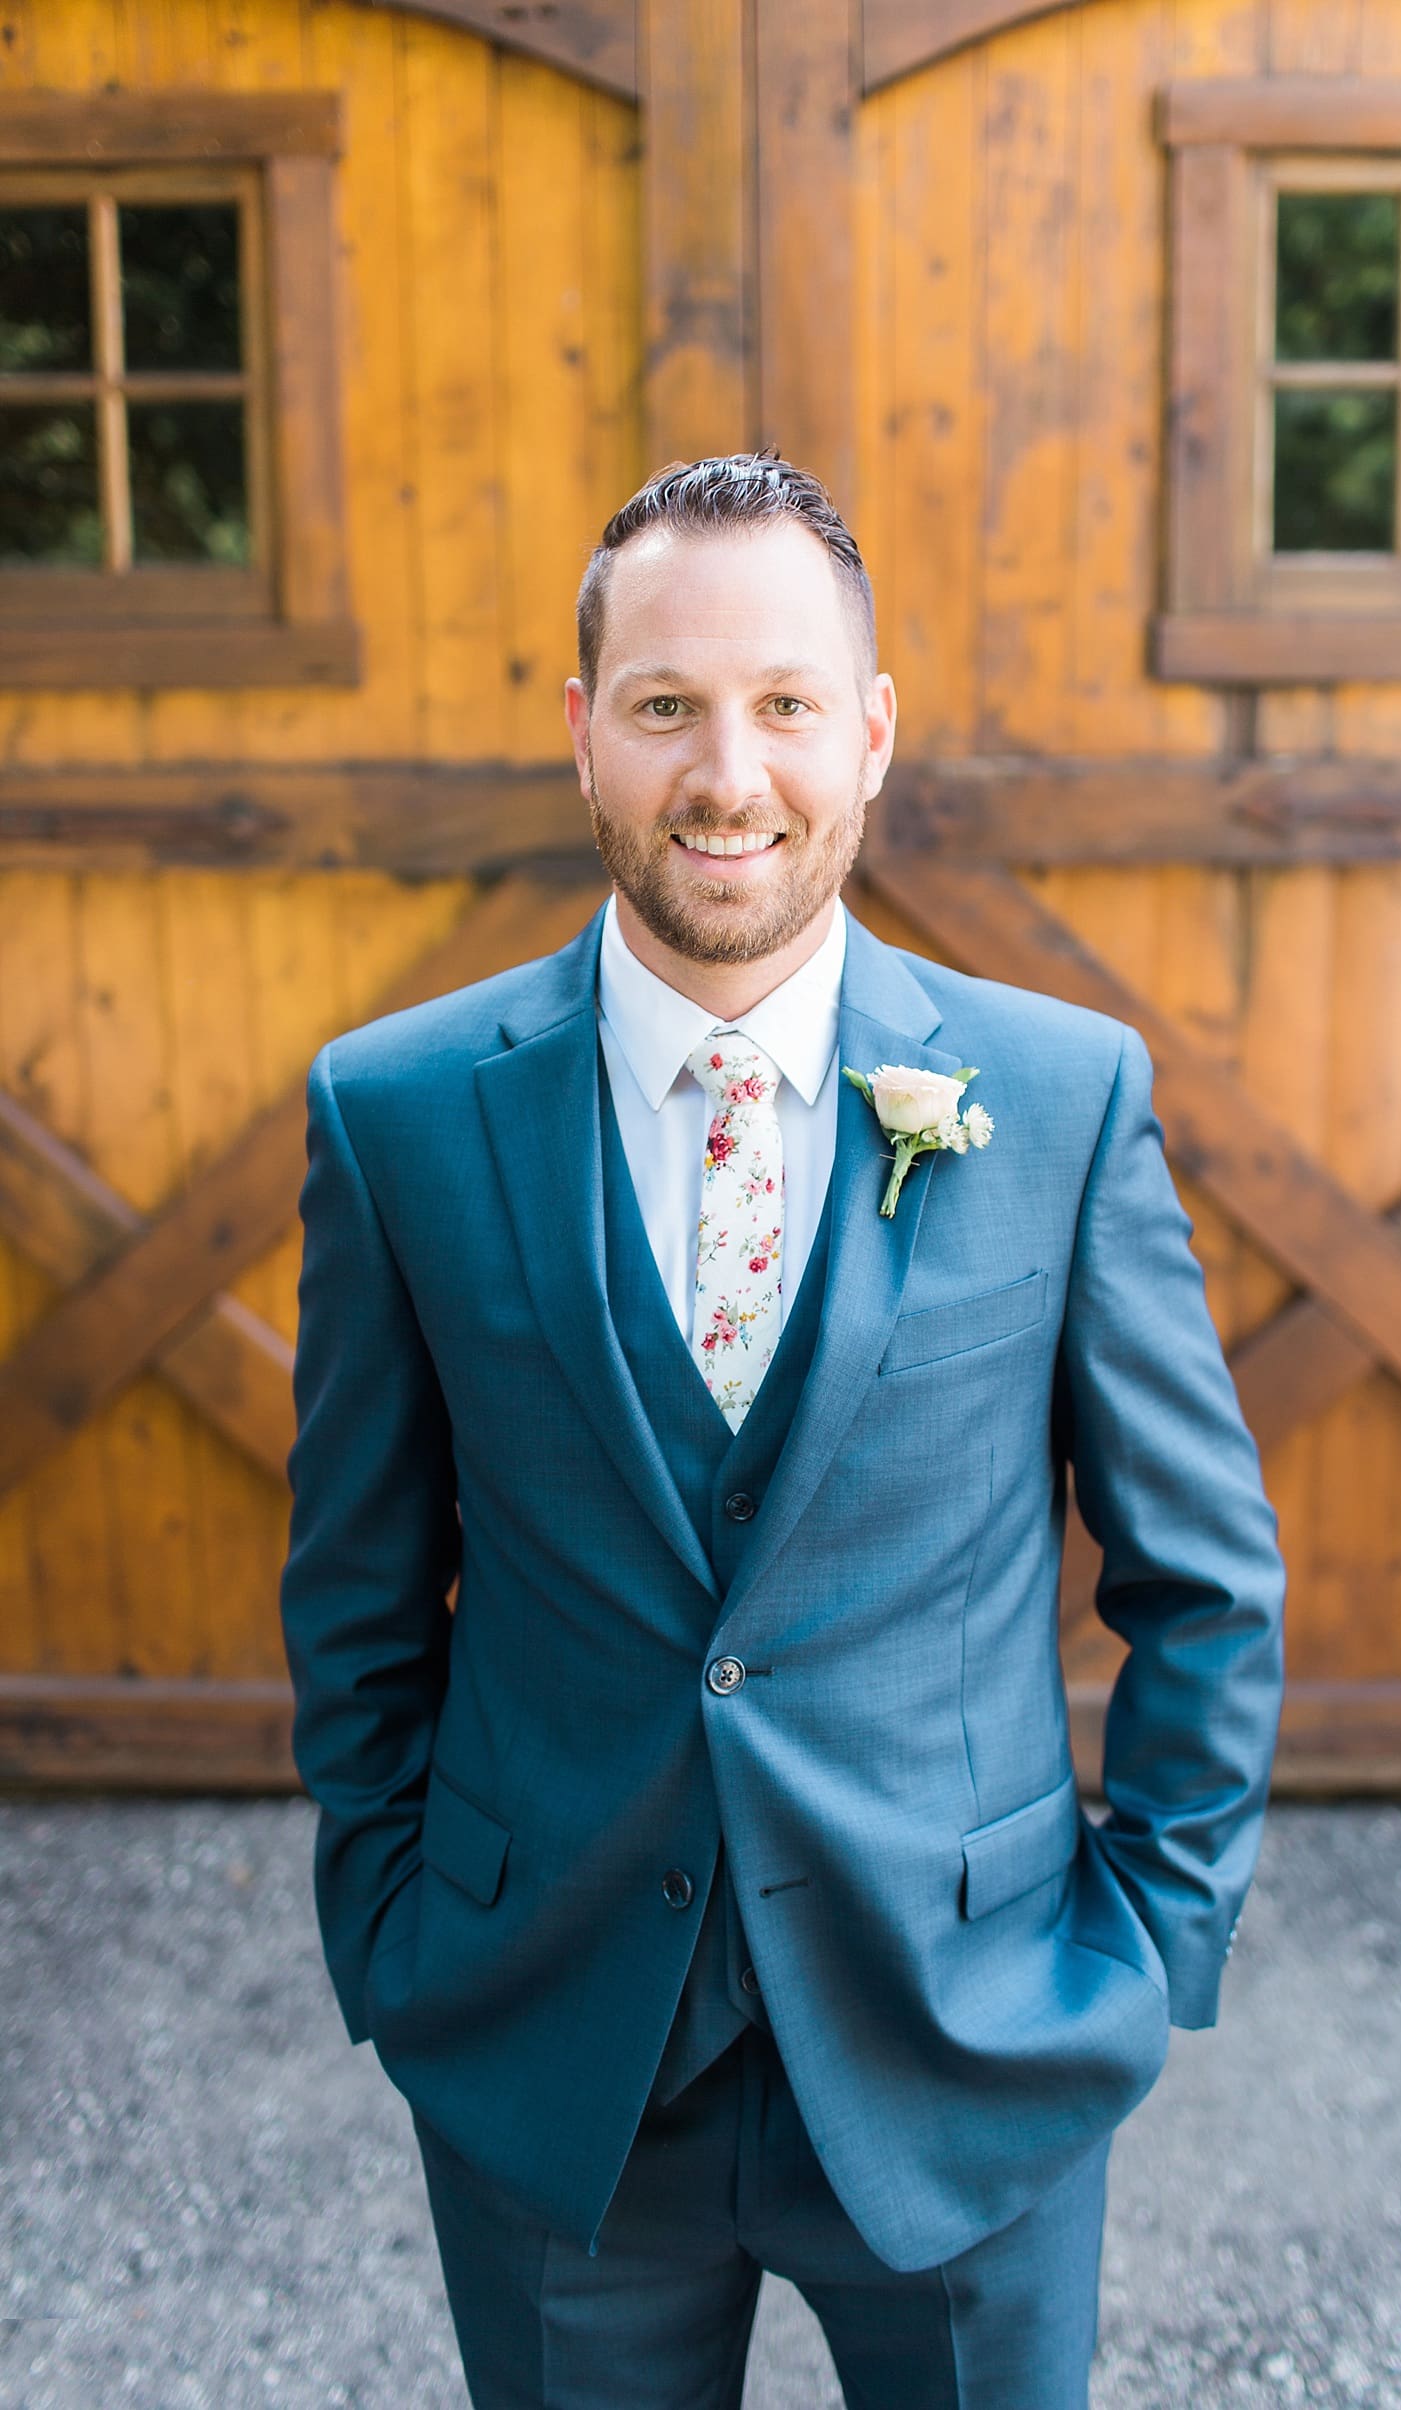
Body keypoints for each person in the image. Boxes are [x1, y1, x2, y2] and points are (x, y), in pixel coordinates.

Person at [279, 450, 1287, 2408]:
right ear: (583, 731)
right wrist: (397, 1938)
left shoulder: (1058, 1096)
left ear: (871, 733)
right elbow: (357, 1589)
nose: (726, 772)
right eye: (666, 703)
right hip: (549, 2047)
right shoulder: (396, 1113)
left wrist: (1149, 1945)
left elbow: (1204, 1574)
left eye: (785, 703)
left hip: (970, 2039)